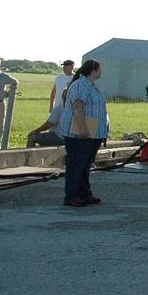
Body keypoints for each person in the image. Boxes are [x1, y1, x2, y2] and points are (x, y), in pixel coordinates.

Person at [57, 59, 109, 208]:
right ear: (93, 70)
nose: (101, 71)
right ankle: (72, 196)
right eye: (99, 69)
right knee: (76, 164)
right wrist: (83, 127)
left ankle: (85, 193)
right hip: (80, 131)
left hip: (93, 131)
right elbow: (78, 106)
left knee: (85, 164)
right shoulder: (80, 85)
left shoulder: (92, 86)